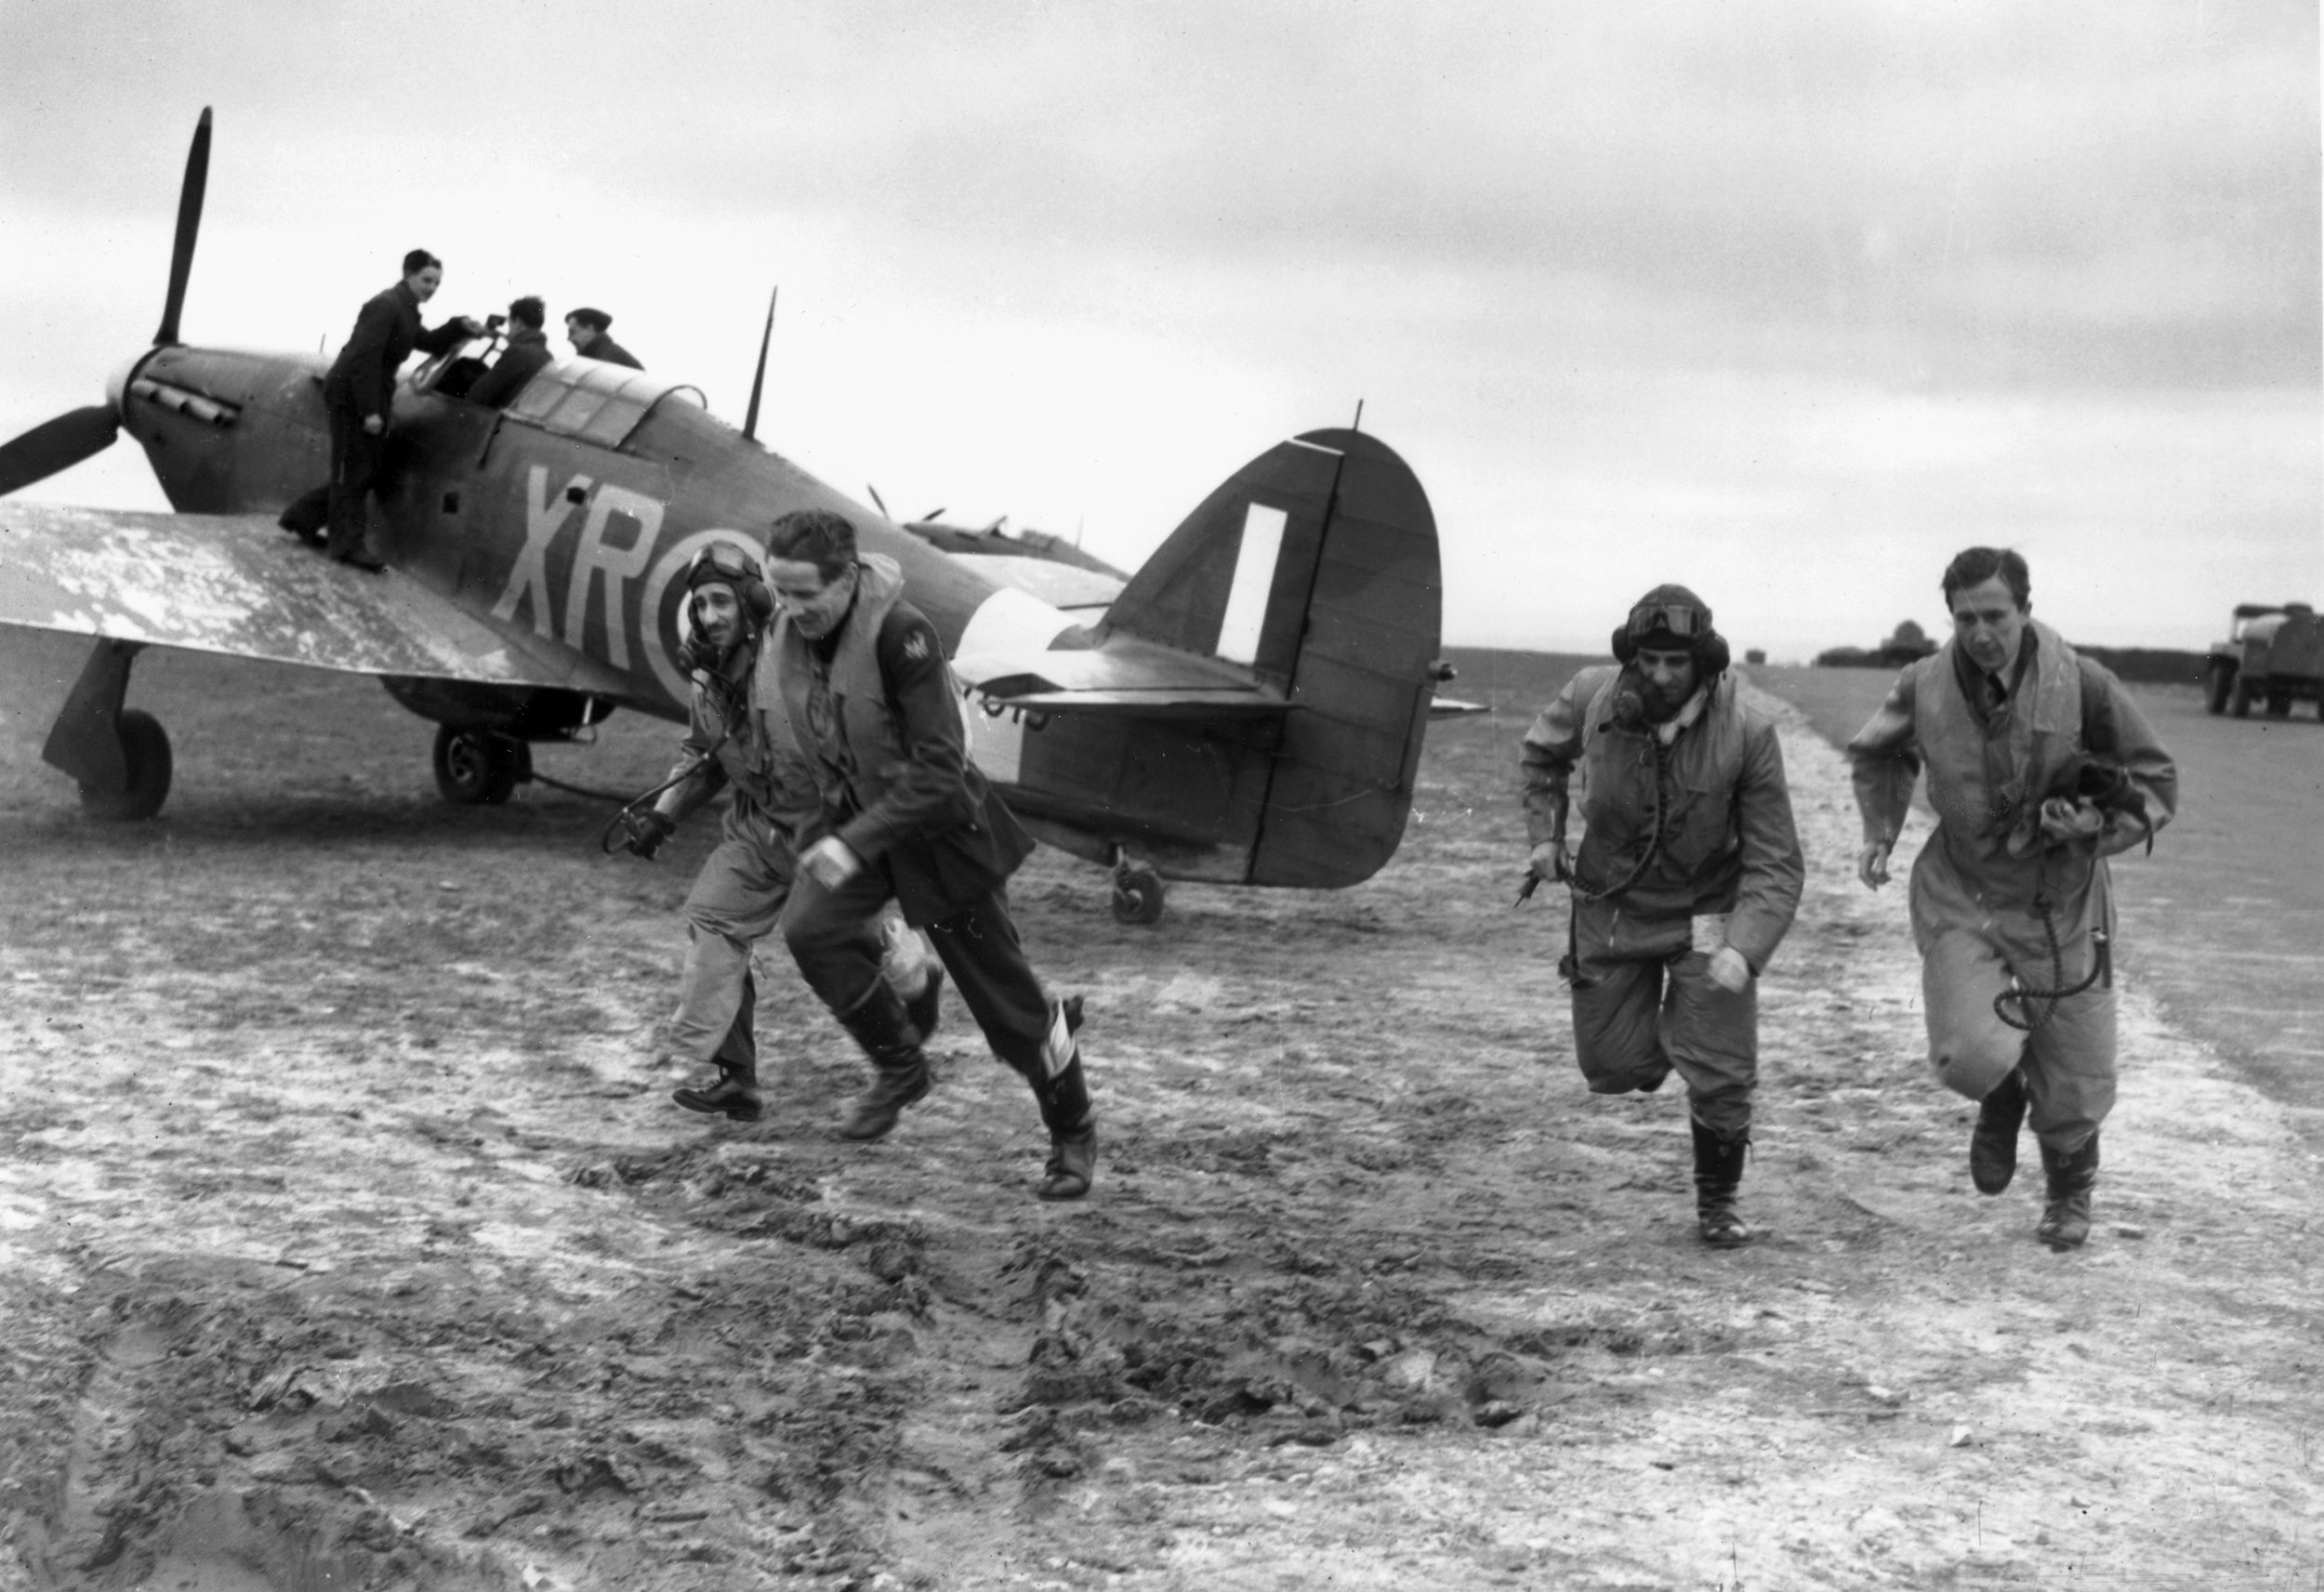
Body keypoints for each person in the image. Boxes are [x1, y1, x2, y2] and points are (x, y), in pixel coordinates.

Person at [762, 507, 1097, 1201]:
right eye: (780, 592)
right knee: (811, 929)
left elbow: (941, 773)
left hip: (942, 835)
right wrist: (819, 832)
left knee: (1012, 1015)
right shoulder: (789, 634)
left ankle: (1072, 1129)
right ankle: (901, 1067)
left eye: (805, 594)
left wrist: (851, 844)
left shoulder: (902, 635)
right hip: (863, 824)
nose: (792, 610)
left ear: (849, 578)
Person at [1848, 547, 2176, 1251]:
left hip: (2062, 900)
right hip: (1964, 892)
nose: (1980, 633)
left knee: (2079, 1080)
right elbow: (1878, 751)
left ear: (2025, 608)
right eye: (1964, 618)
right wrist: (1880, 830)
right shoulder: (1923, 683)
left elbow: (2155, 783)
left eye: (1994, 615)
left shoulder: (2085, 682)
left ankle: (2068, 1193)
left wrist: (2096, 823)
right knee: (1967, 1051)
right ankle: (1999, 1092)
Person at [1521, 585, 1804, 1246]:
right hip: (1614, 905)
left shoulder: (1749, 732)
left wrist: (1745, 944)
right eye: (1648, 659)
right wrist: (1544, 834)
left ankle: (1718, 1199)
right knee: (1612, 1066)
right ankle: (1688, 1038)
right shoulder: (1593, 697)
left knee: (1724, 1070)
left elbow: (1777, 861)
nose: (1660, 675)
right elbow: (1540, 755)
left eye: (1676, 662)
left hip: (1706, 910)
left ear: (1703, 662)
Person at [618, 544, 939, 1125]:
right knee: (713, 918)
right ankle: (736, 1079)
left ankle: (915, 979)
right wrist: (663, 814)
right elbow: (703, 752)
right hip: (758, 829)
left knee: (848, 940)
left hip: (828, 830)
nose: (710, 616)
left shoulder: (798, 654)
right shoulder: (708, 674)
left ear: (754, 601)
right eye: (701, 604)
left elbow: (873, 592)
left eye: (722, 601)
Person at [316, 249, 482, 570]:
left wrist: (459, 326)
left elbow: (428, 341)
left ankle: (300, 517)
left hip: (372, 391)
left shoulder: (406, 308)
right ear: (408, 274)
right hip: (354, 391)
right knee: (356, 469)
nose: (432, 287)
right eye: (426, 280)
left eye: (436, 282)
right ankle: (346, 546)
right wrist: (369, 412)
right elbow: (364, 360)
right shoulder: (387, 305)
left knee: (363, 466)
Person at [464, 296, 555, 409]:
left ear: (518, 322)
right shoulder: (548, 358)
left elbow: (479, 394)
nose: (509, 330)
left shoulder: (518, 352)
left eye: (509, 324)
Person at [564, 307, 641, 370]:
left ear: (590, 329)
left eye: (572, 332)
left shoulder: (608, 359)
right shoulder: (595, 357)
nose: (569, 339)